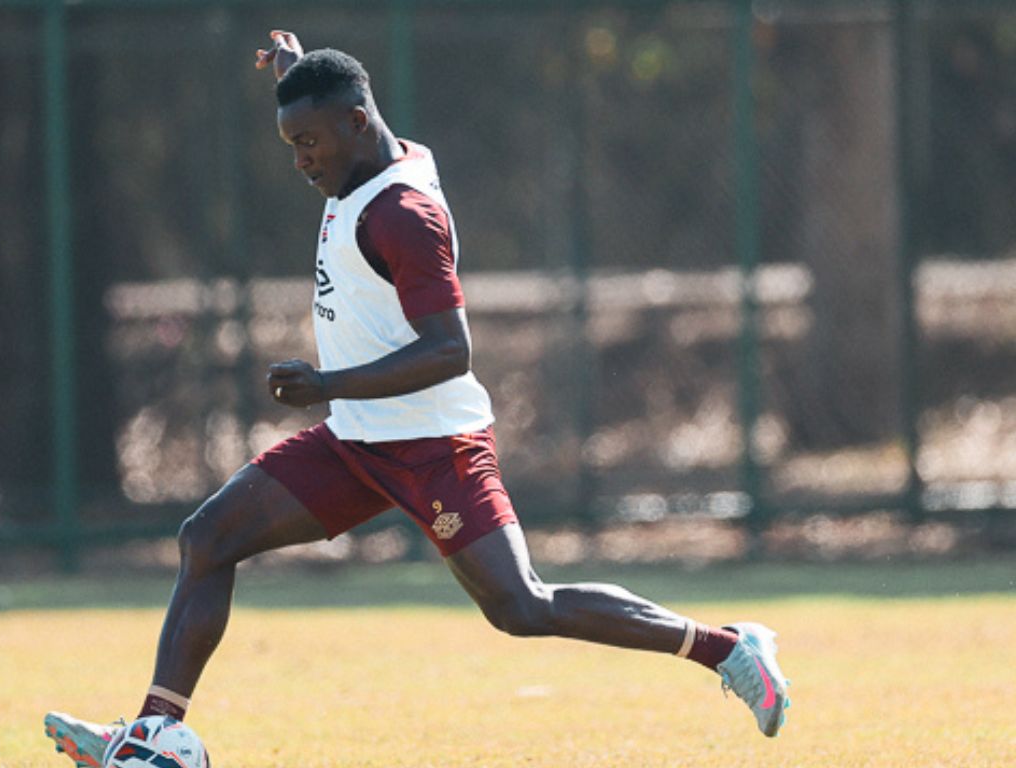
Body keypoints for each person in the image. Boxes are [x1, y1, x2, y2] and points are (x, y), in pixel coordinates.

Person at [46, 30, 790, 767]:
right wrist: (296, 67)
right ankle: (154, 737)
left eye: (308, 143)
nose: (300, 161)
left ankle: (729, 648)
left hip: (436, 448)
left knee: (521, 608)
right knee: (208, 538)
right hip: (356, 441)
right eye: (291, 144)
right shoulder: (366, 148)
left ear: (355, 125)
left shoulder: (403, 215)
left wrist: (326, 385)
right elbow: (344, 96)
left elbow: (449, 351)